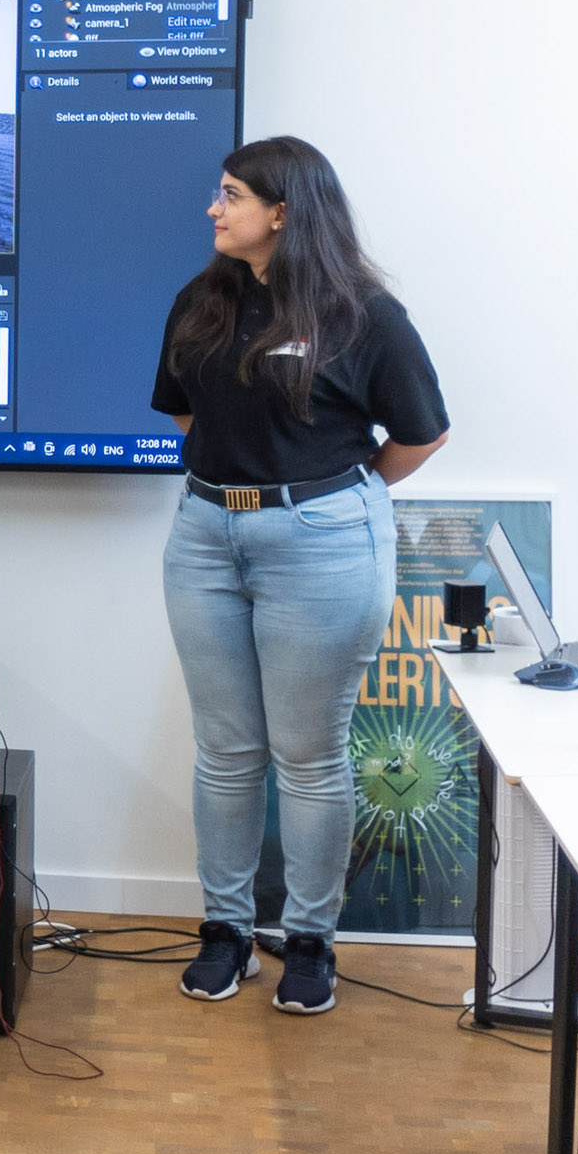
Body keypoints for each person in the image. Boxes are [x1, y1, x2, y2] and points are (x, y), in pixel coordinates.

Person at [153, 135, 449, 1015]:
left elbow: (419, 433)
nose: (215, 208)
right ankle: (227, 933)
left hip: (323, 540)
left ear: (282, 210)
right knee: (226, 752)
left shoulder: (364, 313)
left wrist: (325, 499)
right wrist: (240, 494)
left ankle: (312, 942)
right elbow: (182, 411)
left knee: (310, 757)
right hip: (205, 533)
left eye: (232, 194)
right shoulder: (198, 300)